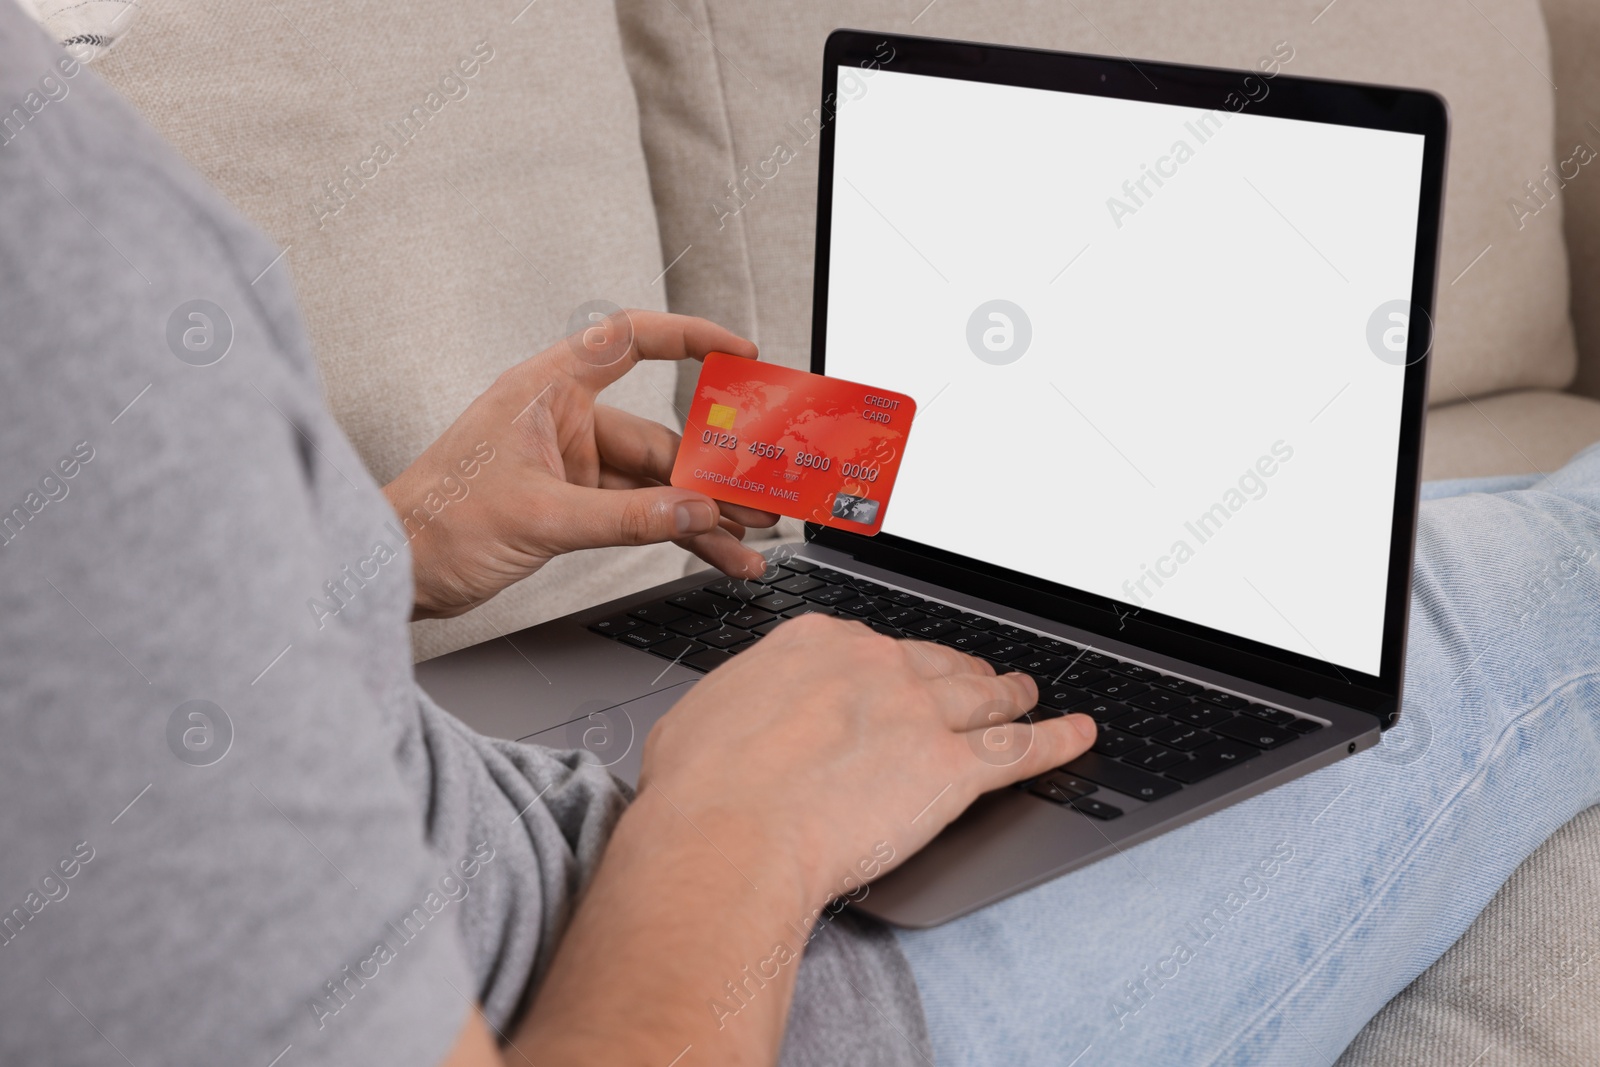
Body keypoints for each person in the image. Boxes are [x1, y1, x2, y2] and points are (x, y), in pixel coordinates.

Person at [4, 5, 1599, 1064]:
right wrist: (736, 833)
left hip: (477, 811)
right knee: (1554, 575)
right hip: (732, 990)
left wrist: (353, 557)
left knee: (1345, 574)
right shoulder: (57, 261)